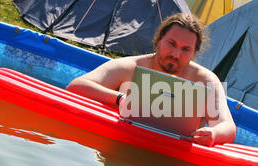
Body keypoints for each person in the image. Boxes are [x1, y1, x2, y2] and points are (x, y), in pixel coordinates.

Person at [66, 13, 236, 147]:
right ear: (159, 39)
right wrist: (120, 99)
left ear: (195, 52)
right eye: (171, 43)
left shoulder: (205, 80)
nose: (175, 54)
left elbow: (227, 126)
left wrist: (214, 135)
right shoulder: (130, 67)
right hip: (122, 144)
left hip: (175, 156)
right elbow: (76, 86)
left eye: (185, 49)